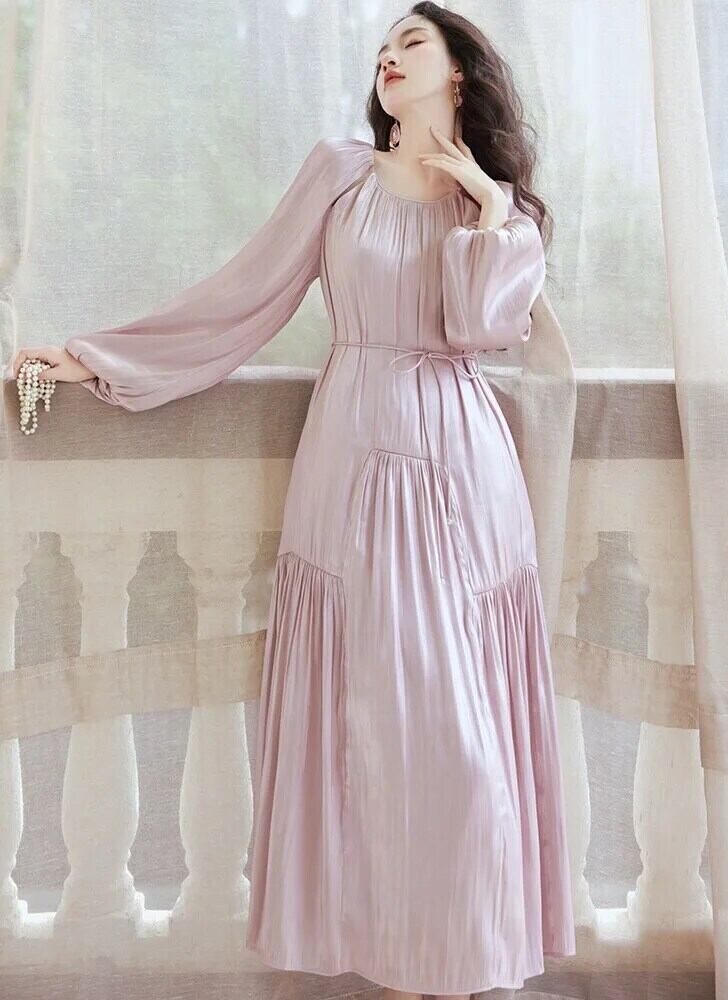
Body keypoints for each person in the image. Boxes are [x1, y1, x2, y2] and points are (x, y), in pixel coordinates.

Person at [11, 4, 575, 998]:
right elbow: (244, 295)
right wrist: (97, 360)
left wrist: (487, 208)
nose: (389, 58)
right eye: (382, 49)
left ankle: (459, 959)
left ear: (459, 72)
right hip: (353, 458)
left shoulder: (506, 215)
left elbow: (476, 327)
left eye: (412, 44)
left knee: (460, 727)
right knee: (377, 715)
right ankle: (398, 963)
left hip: (464, 475)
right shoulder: (340, 175)